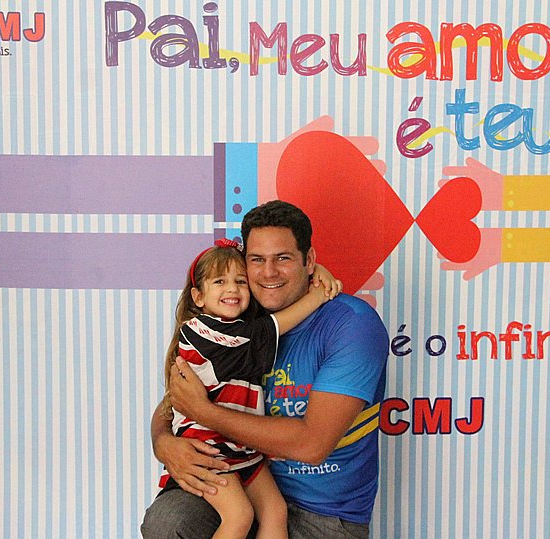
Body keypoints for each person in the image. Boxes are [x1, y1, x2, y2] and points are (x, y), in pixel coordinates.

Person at [142, 200, 389, 539]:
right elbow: (178, 399)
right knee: (169, 521)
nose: (269, 272)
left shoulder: (352, 325)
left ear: (309, 260)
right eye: (257, 260)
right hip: (242, 481)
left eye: (283, 258)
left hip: (324, 516)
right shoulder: (237, 321)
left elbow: (311, 446)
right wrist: (164, 443)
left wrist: (205, 413)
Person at [160, 237, 341, 538]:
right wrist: (318, 294)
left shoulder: (239, 324)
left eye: (241, 282)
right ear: (198, 296)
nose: (232, 289)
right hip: (209, 448)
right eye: (220, 281)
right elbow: (268, 330)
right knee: (239, 515)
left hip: (242, 447)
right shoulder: (201, 332)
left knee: (275, 511)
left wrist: (314, 271)